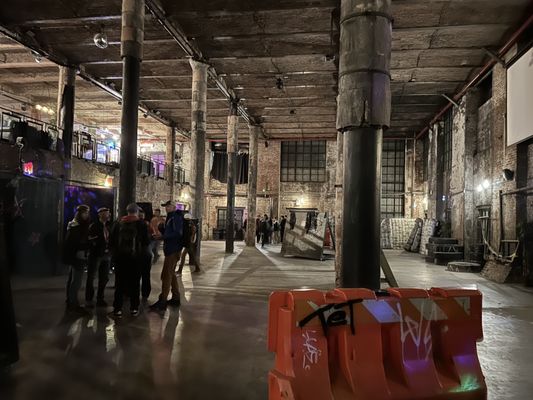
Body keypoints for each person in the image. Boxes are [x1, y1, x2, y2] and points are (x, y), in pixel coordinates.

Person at [109, 203, 149, 317]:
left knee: (119, 283)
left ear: (127, 211)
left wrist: (115, 255)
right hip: (135, 259)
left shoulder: (117, 223)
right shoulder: (141, 224)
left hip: (120, 258)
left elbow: (111, 241)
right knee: (135, 283)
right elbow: (146, 242)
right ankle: (134, 308)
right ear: (136, 212)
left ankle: (117, 309)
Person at [150, 200, 184, 312]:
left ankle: (163, 301)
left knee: (166, 275)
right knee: (171, 273)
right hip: (171, 248)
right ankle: (175, 297)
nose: (166, 208)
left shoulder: (175, 217)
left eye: (168, 206)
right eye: (166, 206)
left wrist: (163, 237)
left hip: (173, 249)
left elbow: (178, 233)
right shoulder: (171, 217)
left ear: (174, 207)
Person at [64, 204, 90, 313]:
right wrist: (86, 244)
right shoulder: (77, 227)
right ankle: (73, 304)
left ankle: (70, 300)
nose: (87, 215)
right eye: (85, 213)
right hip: (78, 256)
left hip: (74, 255)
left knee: (72, 280)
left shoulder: (74, 225)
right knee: (76, 281)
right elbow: (75, 243)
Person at [85, 207, 111, 307]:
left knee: (104, 278)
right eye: (106, 213)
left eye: (108, 213)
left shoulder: (109, 226)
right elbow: (90, 239)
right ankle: (89, 297)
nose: (108, 215)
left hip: (106, 255)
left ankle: (100, 298)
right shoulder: (94, 226)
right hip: (96, 255)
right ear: (100, 215)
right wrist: (95, 245)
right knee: (91, 276)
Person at [138, 208, 154, 300]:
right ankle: (145, 293)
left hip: (140, 252)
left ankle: (141, 293)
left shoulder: (135, 224)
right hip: (145, 251)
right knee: (145, 274)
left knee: (139, 274)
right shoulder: (145, 224)